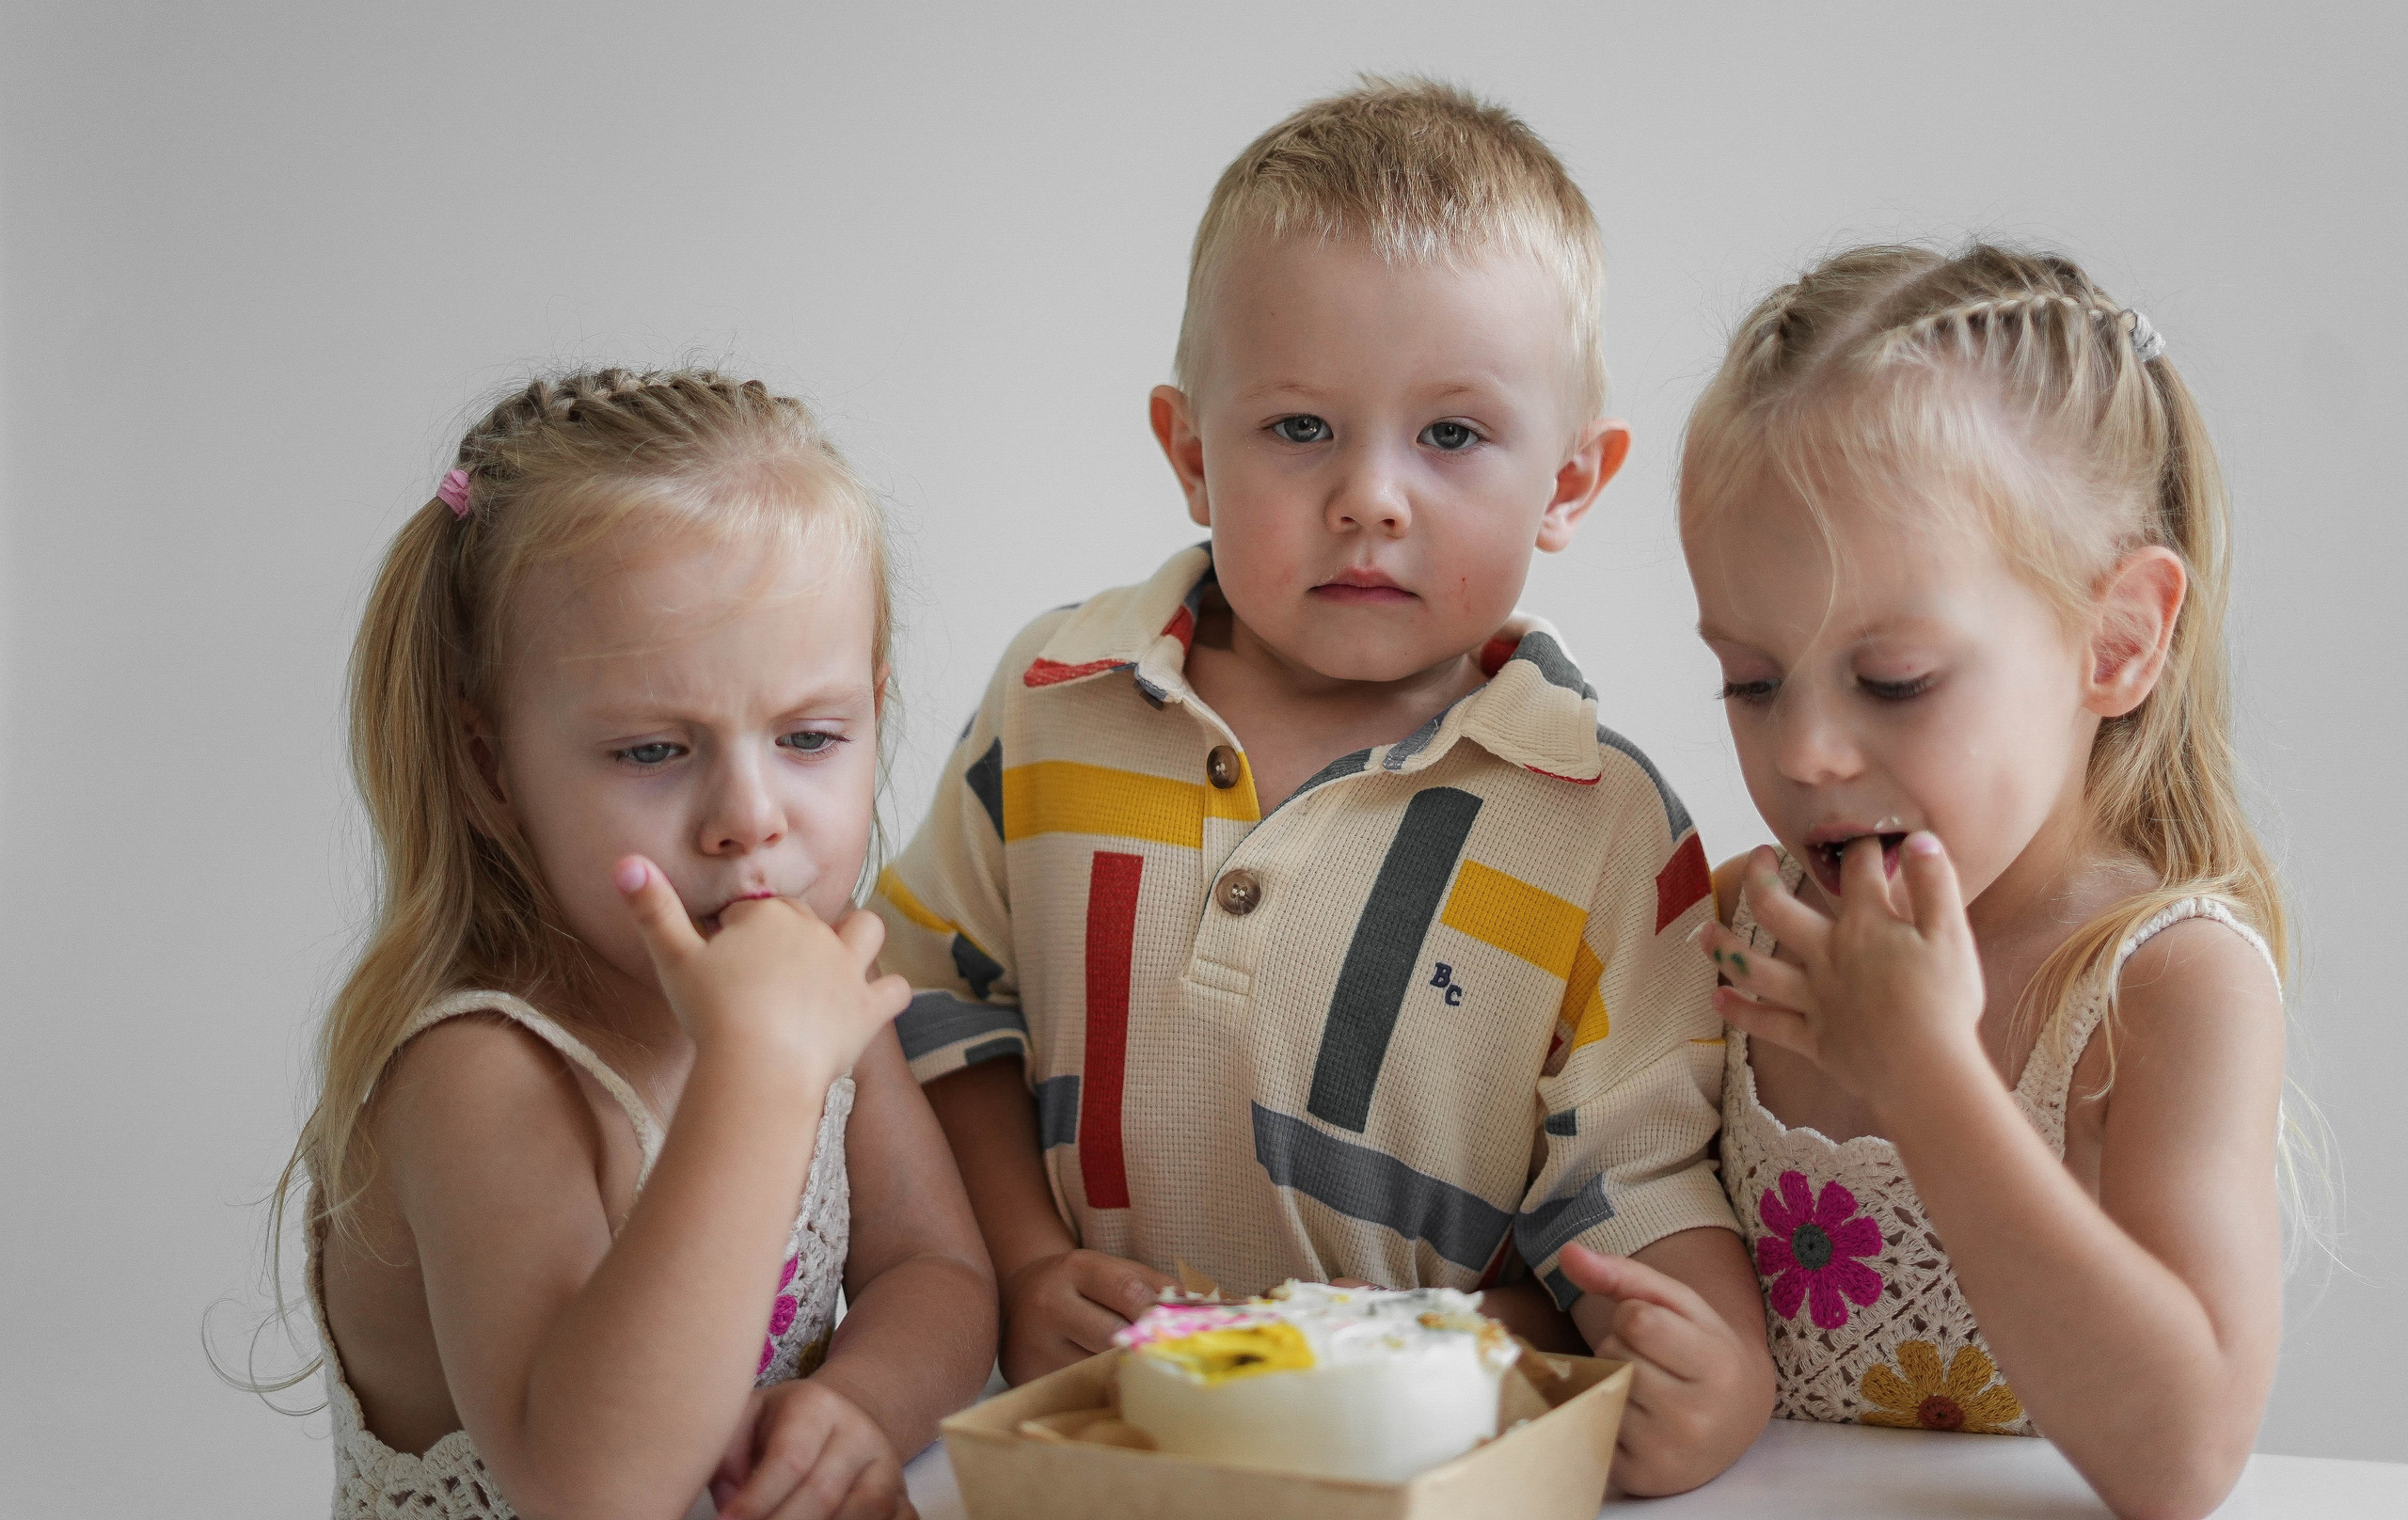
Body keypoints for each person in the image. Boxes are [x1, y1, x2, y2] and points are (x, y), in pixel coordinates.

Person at [869, 78, 1774, 1495]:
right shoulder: (1054, 698)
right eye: (1299, 429)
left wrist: (1701, 1356)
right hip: (1093, 1451)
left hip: (1410, 1464)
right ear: (1188, 452)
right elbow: (936, 1008)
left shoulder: (1605, 827)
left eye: (1454, 436)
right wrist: (1023, 1259)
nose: (1371, 496)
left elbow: (1637, 1171)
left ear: (1572, 482)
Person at [274, 370, 993, 1520]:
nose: (749, 817)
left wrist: (857, 1404)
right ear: (491, 769)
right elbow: (596, 1490)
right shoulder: (485, 1077)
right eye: (654, 752)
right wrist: (759, 1072)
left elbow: (937, 1274)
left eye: (810, 737)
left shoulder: (814, 995)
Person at [1680, 244, 2286, 1520]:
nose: (1802, 752)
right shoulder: (1730, 925)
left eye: (1894, 678)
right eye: (1751, 677)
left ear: (2117, 643)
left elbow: (2182, 1458)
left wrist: (1924, 1070)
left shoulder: (2167, 985)